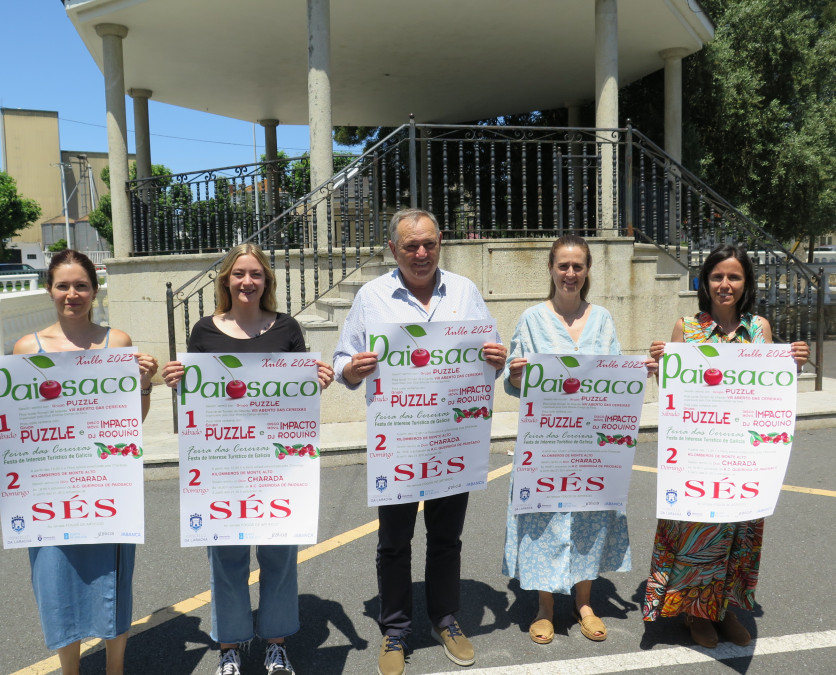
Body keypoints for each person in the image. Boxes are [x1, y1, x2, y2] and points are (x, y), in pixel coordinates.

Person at [0, 249, 159, 675]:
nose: (73, 294)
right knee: (55, 582)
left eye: (81, 285)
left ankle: (115, 669)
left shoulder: (116, 342)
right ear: (49, 289)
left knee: (112, 580)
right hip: (49, 489)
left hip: (104, 485)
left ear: (95, 289)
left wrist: (143, 385)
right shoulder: (26, 347)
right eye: (63, 285)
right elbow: (16, 420)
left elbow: (130, 423)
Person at [332, 208, 507, 675]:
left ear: (440, 241)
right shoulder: (372, 297)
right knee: (394, 542)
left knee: (446, 538)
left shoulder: (465, 292)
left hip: (453, 439)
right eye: (411, 246)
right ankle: (395, 630)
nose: (422, 253)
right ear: (393, 249)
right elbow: (341, 361)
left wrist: (498, 356)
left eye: (429, 243)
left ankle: (445, 619)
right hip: (400, 443)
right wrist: (352, 369)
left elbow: (492, 354)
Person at [161, 242, 334, 675]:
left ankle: (275, 645)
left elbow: (299, 394)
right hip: (223, 463)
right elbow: (198, 398)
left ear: (266, 282)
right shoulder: (204, 331)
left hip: (276, 466)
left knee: (279, 556)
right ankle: (231, 647)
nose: (247, 282)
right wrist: (176, 381)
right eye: (239, 274)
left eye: (256, 274)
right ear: (226, 281)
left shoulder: (287, 327)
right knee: (226, 560)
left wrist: (317, 380)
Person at [643, 243, 809, 648]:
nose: (725, 284)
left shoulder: (760, 329)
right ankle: (694, 613)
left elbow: (770, 391)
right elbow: (676, 391)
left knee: (739, 528)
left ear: (746, 282)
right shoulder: (688, 327)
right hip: (701, 447)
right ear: (705, 282)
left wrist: (793, 362)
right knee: (700, 529)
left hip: (743, 453)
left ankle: (725, 608)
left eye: (734, 276)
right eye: (717, 276)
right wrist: (663, 364)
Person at [503, 234, 650, 646]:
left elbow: (614, 372)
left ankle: (584, 603)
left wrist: (640, 371)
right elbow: (514, 381)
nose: (570, 274)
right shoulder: (531, 318)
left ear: (587, 271)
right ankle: (546, 606)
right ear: (550, 268)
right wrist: (516, 375)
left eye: (578, 267)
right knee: (543, 520)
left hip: (591, 443)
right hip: (546, 441)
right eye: (563, 266)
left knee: (589, 516)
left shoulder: (602, 318)